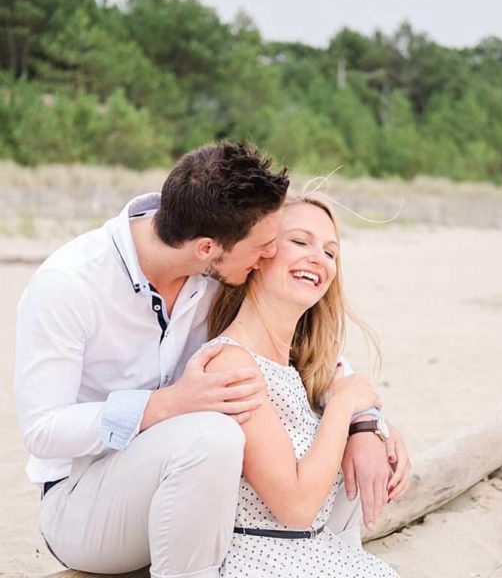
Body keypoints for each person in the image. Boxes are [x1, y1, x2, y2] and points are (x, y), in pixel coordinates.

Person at [14, 141, 410, 578]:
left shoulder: (220, 269)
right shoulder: (70, 284)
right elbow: (42, 431)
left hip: (190, 499)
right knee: (210, 434)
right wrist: (165, 404)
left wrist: (366, 422)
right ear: (206, 248)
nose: (268, 255)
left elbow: (312, 357)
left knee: (233, 435)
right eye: (264, 246)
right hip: (85, 502)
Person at [200, 195, 401, 576]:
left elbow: (349, 393)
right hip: (263, 561)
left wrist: (371, 428)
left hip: (315, 553)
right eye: (300, 241)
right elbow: (295, 508)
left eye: (330, 252)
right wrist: (343, 409)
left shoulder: (298, 368)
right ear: (259, 253)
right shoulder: (231, 362)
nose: (319, 259)